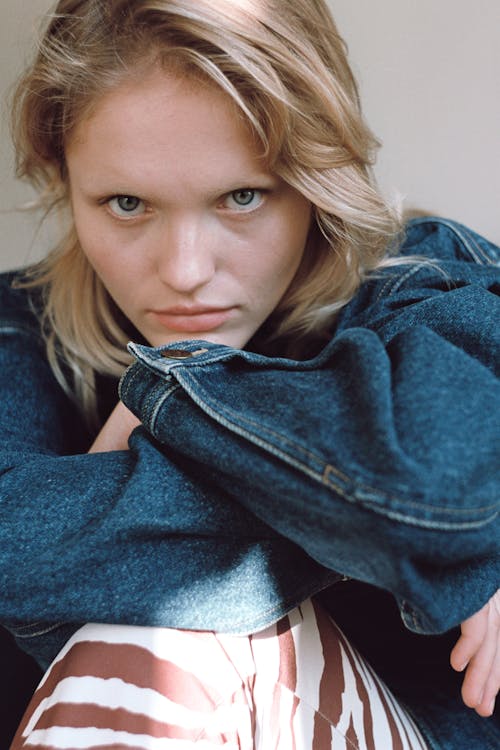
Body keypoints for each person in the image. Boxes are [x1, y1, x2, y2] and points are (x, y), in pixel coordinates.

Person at [0, 0, 498, 747]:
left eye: (242, 197)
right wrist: (417, 540)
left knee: (159, 624)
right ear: (63, 180)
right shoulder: (21, 327)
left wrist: (173, 393)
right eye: (127, 203)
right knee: (156, 628)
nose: (186, 271)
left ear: (318, 174)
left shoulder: (425, 282)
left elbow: (429, 488)